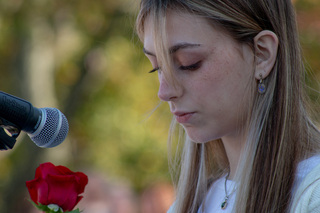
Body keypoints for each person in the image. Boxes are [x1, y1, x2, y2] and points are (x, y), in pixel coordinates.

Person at [135, 0, 320, 212]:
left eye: (189, 63)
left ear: (262, 54)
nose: (165, 92)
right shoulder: (189, 205)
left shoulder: (312, 196)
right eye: (157, 68)